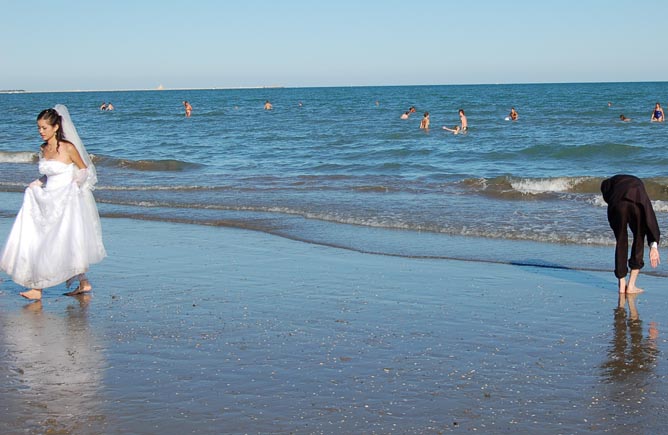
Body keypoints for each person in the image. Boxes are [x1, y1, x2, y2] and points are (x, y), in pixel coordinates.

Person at [0, 105, 106, 300]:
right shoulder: (43, 148)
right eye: (39, 128)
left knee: (59, 243)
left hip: (66, 201)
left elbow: (85, 170)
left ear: (56, 127)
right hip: (47, 200)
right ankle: (83, 283)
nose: (40, 132)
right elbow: (48, 175)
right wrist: (35, 184)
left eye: (44, 128)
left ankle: (38, 289)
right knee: (43, 242)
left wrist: (76, 184)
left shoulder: (67, 147)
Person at [601, 174, 660, 294]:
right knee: (639, 238)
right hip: (636, 202)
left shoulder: (609, 187)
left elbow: (610, 202)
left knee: (621, 240)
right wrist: (653, 245)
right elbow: (650, 216)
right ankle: (631, 285)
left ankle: (622, 285)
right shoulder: (637, 184)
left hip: (618, 205)